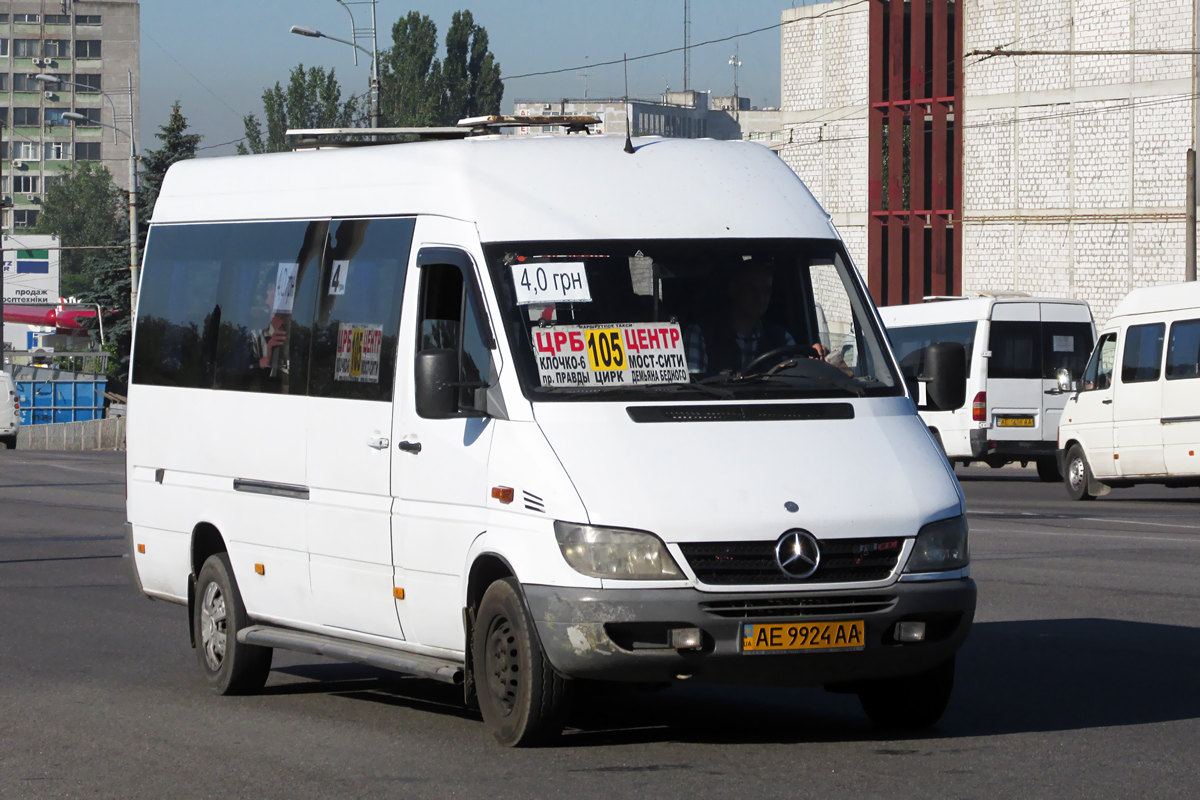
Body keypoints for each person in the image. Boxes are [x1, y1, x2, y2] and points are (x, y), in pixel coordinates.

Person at [684, 261, 825, 375]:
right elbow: (691, 393)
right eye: (751, 289)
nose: (760, 298)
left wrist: (815, 359)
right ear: (734, 289)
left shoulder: (781, 338)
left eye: (766, 290)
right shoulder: (701, 334)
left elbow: (801, 377)